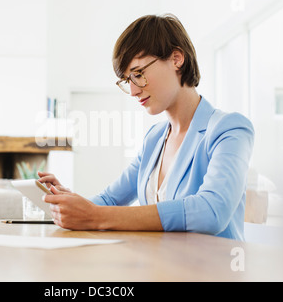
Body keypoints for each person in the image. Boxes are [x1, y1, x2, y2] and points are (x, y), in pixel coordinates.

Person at [39, 14, 254, 240]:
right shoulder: (155, 138)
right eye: (127, 80)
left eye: (138, 74)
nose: (132, 91)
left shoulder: (229, 129)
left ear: (176, 59)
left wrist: (95, 216)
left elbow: (211, 211)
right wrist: (69, 202)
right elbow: (110, 201)